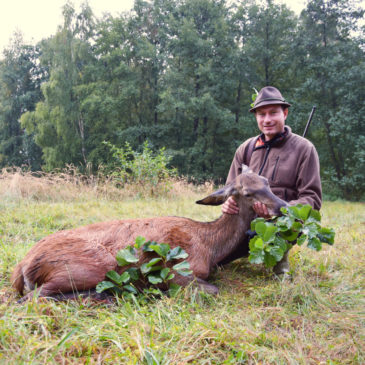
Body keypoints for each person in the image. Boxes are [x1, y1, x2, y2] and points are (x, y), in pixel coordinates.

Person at [220, 86, 322, 274]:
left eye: (273, 113)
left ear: (285, 113)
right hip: (242, 224)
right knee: (214, 261)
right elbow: (229, 189)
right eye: (261, 114)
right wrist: (227, 203)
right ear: (256, 117)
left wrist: (278, 211)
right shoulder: (246, 149)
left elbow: (312, 200)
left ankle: (279, 263)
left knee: (276, 244)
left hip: (280, 225)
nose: (267, 120)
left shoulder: (304, 149)